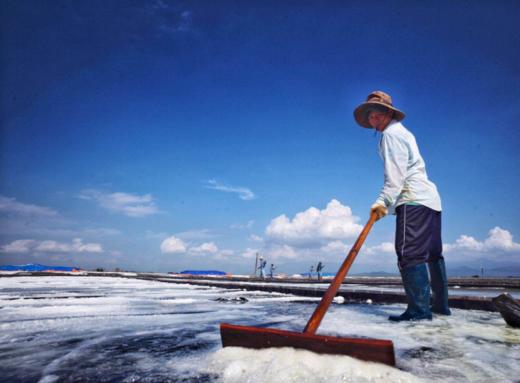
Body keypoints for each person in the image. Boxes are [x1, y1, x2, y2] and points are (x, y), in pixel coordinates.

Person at [354, 91, 451, 321]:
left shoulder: (391, 134)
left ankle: (419, 311)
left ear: (388, 113)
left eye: (376, 115)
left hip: (413, 199)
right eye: (369, 117)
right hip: (431, 201)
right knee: (433, 255)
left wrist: (382, 201)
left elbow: (395, 176)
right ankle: (440, 307)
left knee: (409, 253)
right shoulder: (402, 132)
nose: (372, 120)